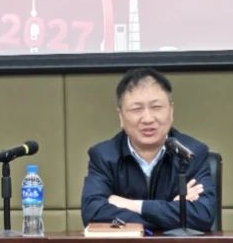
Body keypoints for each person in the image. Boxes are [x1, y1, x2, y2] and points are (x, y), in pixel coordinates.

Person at [81, 67, 217, 231]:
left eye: (156, 107)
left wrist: (133, 205)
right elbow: (93, 213)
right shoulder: (103, 156)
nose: (147, 119)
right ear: (121, 117)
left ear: (171, 111)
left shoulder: (191, 153)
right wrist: (171, 211)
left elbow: (202, 215)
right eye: (136, 109)